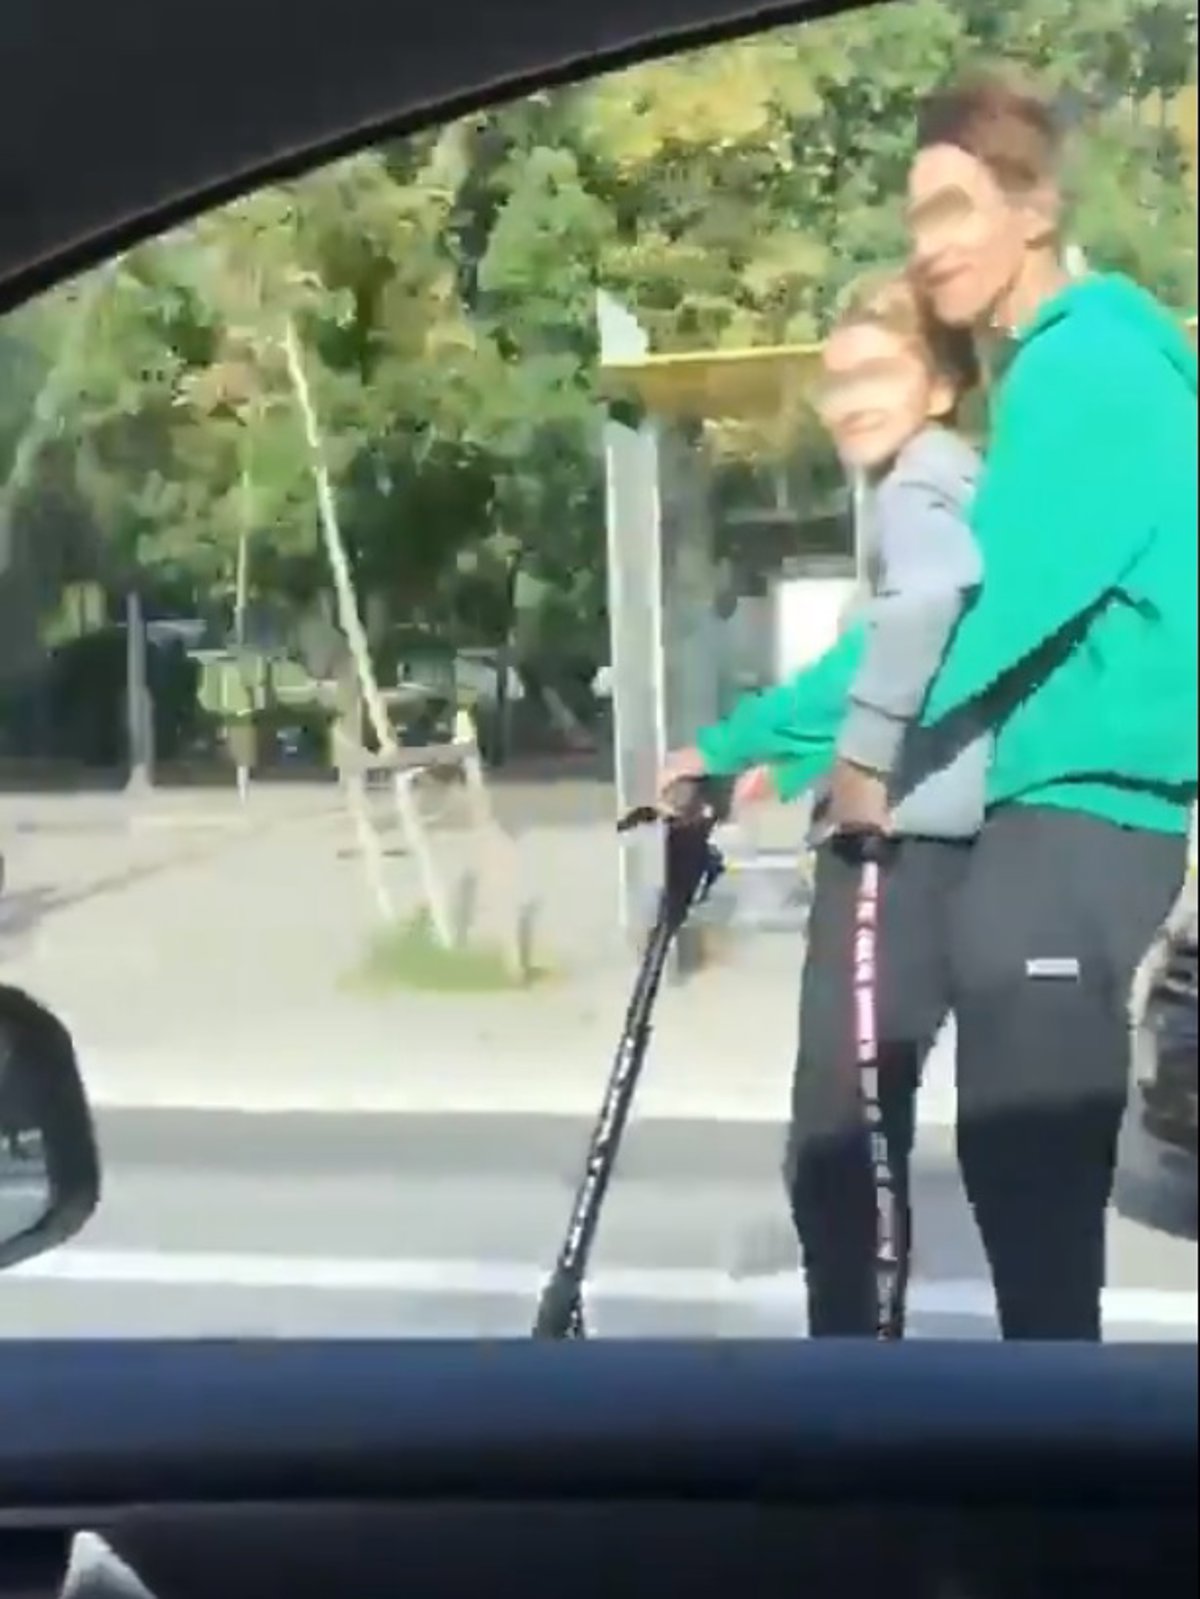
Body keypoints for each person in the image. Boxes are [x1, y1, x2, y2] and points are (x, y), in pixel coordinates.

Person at [665, 68, 1197, 1341]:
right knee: (1021, 1189)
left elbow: (963, 616)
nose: (931, 245)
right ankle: (1002, 1444)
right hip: (1058, 808)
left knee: (1032, 1196)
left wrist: (762, 739)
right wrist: (785, 753)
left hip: (1092, 810)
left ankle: (1043, 1465)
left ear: (1035, 208)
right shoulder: (1064, 370)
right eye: (917, 219)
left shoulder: (1093, 366)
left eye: (955, 210)